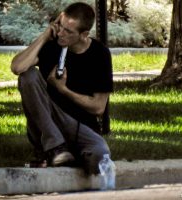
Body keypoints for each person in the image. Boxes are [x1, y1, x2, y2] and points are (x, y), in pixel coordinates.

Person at [11, 2, 113, 174]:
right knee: (28, 76)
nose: (60, 33)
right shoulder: (53, 44)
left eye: (68, 31)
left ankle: (63, 154)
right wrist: (45, 36)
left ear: (84, 34)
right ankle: (56, 147)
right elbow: (17, 67)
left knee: (100, 158)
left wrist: (62, 89)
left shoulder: (99, 54)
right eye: (60, 26)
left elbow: (98, 107)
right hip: (48, 120)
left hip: (79, 125)